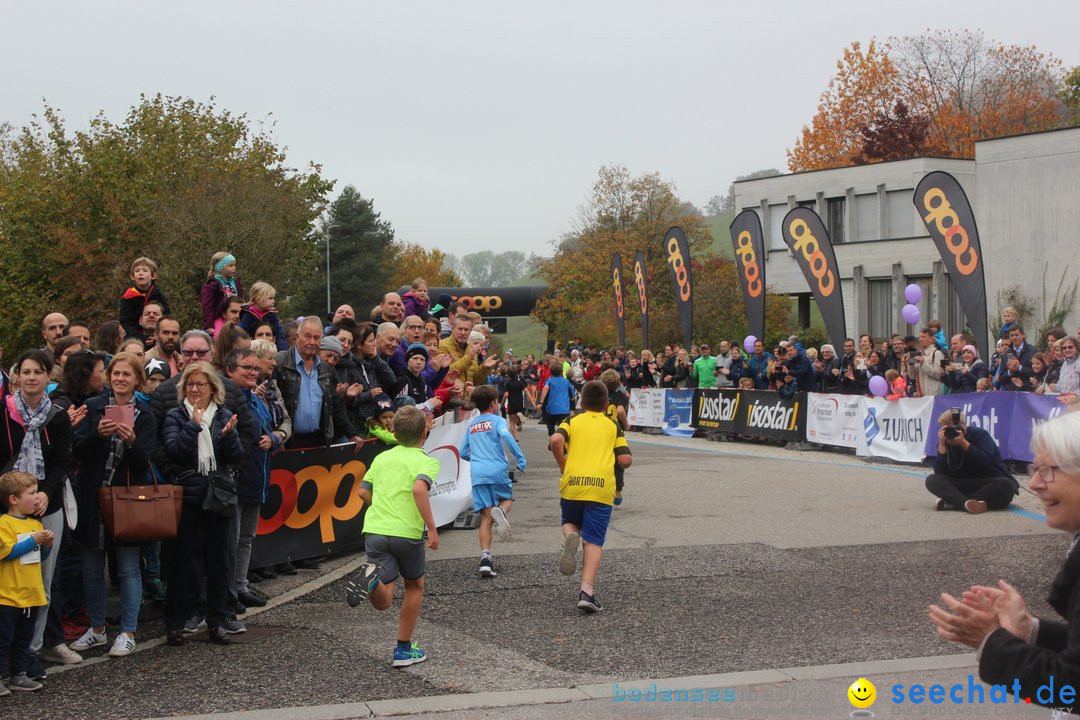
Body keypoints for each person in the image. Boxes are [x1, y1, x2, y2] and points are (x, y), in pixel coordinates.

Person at [927, 411, 1080, 712]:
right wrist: (1030, 631)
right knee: (934, 481)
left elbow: (1072, 686)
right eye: (1032, 469)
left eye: (1047, 470)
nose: (1034, 483)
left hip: (988, 483)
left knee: (1003, 486)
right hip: (965, 487)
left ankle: (961, 502)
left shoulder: (979, 437)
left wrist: (990, 640)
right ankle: (961, 502)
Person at [70, 353, 156, 658]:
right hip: (93, 497)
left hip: (127, 500)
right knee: (92, 568)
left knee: (129, 567)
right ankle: (96, 628)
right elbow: (77, 450)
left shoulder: (145, 414)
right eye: (116, 373)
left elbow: (145, 462)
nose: (120, 379)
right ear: (109, 376)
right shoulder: (94, 407)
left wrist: (132, 441)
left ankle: (128, 631)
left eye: (127, 375)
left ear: (137, 380)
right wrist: (97, 434)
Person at [345, 406, 440, 667]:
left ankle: (372, 581)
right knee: (414, 586)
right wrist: (432, 529)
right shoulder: (427, 461)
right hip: (406, 532)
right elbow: (420, 489)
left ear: (392, 430)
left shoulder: (381, 458)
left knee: (384, 599)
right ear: (424, 432)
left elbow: (363, 493)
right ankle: (403, 650)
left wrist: (382, 506)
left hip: (376, 528)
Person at [1, 350, 75, 678]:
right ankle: (8, 654)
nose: (31, 377)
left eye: (38, 372)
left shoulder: (57, 415)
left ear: (48, 377)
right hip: (9, 510)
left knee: (42, 580)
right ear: (17, 377)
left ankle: (31, 649)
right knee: (8, 578)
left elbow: (62, 462)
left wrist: (46, 493)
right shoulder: (4, 412)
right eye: (26, 372)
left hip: (47, 504)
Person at [162, 361, 244, 646]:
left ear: (213, 389)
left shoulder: (223, 416)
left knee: (219, 562)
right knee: (183, 563)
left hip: (218, 496)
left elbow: (236, 456)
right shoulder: (175, 415)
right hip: (189, 497)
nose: (195, 389)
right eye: (191, 384)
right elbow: (174, 450)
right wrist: (193, 427)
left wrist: (230, 436)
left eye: (201, 385)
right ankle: (175, 623)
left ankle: (217, 620)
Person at [549, 381, 632, 613]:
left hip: (573, 483)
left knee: (570, 521)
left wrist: (563, 464)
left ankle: (571, 536)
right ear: (607, 404)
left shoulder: (572, 421)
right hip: (601, 487)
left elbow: (556, 440)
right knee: (594, 541)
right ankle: (587, 591)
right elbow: (625, 460)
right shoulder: (613, 425)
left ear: (581, 403)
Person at [225, 347, 290, 609]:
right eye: (246, 368)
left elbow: (272, 428)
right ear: (230, 371)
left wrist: (275, 438)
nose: (253, 372)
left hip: (258, 475)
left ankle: (240, 585)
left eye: (255, 368)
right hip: (236, 478)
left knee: (246, 537)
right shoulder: (228, 398)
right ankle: (229, 590)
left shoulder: (257, 398)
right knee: (232, 539)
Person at [460, 385, 527, 579]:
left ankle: (485, 559)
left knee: (485, 517)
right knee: (507, 500)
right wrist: (520, 459)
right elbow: (506, 436)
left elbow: (463, 451)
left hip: (478, 472)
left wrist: (477, 459)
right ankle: (503, 512)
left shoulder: (471, 425)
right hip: (497, 469)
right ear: (494, 403)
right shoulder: (497, 420)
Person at [0, 470, 55, 693]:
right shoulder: (4, 523)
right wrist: (34, 540)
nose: (36, 497)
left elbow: (38, 559)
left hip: (31, 594)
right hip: (8, 595)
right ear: (14, 499)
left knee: (23, 639)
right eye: (31, 493)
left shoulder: (36, 525)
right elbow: (8, 552)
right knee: (3, 640)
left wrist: (46, 547)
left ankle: (19, 674)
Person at [925, 408, 1018, 513]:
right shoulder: (946, 440)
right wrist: (942, 446)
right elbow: (940, 473)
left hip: (986, 482)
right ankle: (967, 504)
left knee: (1006, 485)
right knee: (932, 480)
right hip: (961, 484)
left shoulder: (980, 435)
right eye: (947, 429)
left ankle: (955, 502)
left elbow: (987, 463)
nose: (952, 432)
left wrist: (964, 444)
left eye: (954, 428)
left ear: (964, 425)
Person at [118, 257, 171, 339]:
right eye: (137, 271)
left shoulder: (158, 295)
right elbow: (125, 320)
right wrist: (138, 336)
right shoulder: (129, 297)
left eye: (145, 270)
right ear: (132, 276)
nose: (140, 273)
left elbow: (167, 315)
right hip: (135, 335)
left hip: (157, 333)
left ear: (153, 276)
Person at [201, 252, 244, 334]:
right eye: (230, 266)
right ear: (220, 267)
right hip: (218, 319)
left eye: (234, 265)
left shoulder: (236, 284)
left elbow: (241, 300)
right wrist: (209, 325)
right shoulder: (212, 285)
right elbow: (207, 306)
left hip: (236, 318)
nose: (234, 268)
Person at [237, 282, 287, 351]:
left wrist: (282, 351)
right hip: (252, 350)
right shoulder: (248, 314)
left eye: (273, 298)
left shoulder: (272, 315)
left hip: (269, 349)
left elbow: (279, 334)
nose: (273, 301)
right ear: (258, 300)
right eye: (270, 298)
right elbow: (242, 335)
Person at [539, 361, 575, 437]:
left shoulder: (549, 381)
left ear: (550, 372)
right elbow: (572, 397)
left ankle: (552, 436)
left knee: (550, 424)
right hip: (564, 409)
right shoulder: (567, 382)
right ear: (561, 371)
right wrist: (572, 408)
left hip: (552, 409)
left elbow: (545, 388)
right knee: (562, 427)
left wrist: (541, 402)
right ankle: (560, 441)